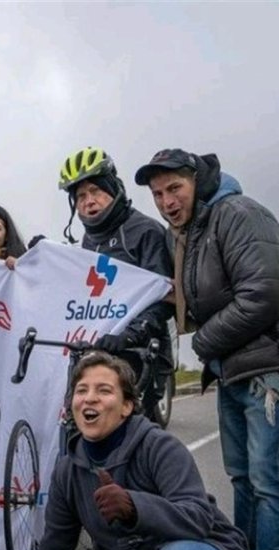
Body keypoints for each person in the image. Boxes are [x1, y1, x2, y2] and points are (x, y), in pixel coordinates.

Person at [134, 147, 279, 550]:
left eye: (175, 188)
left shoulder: (238, 213)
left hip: (271, 367)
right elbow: (194, 297)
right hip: (235, 367)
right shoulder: (189, 232)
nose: (167, 201)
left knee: (266, 480)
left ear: (197, 181)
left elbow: (263, 295)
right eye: (158, 194)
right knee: (242, 478)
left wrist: (203, 343)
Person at [6, 351, 254, 550]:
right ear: (72, 405)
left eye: (104, 390)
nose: (89, 398)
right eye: (81, 390)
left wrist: (135, 507)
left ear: (126, 406)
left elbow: (198, 518)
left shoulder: (159, 447)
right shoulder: (68, 470)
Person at [57, 147, 175, 411]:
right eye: (81, 196)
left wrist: (130, 335)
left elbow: (164, 298)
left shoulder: (146, 231)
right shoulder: (88, 241)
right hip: (98, 357)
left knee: (133, 430)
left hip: (142, 355)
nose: (89, 201)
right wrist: (45, 258)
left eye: (95, 191)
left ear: (113, 188)